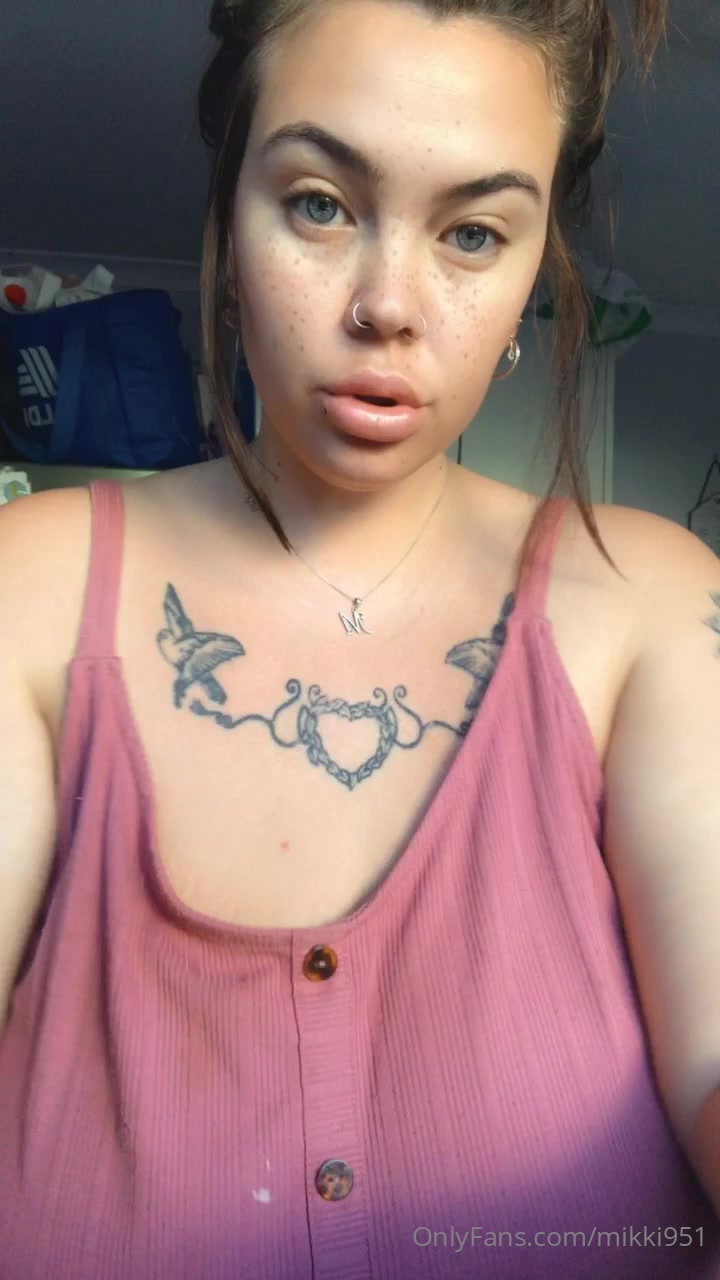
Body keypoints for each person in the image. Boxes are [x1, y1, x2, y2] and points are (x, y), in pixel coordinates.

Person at [0, 0, 719, 1276]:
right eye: (321, 204)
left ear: (535, 268)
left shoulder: (650, 601)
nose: (389, 306)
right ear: (229, 216)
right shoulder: (31, 586)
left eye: (473, 233)